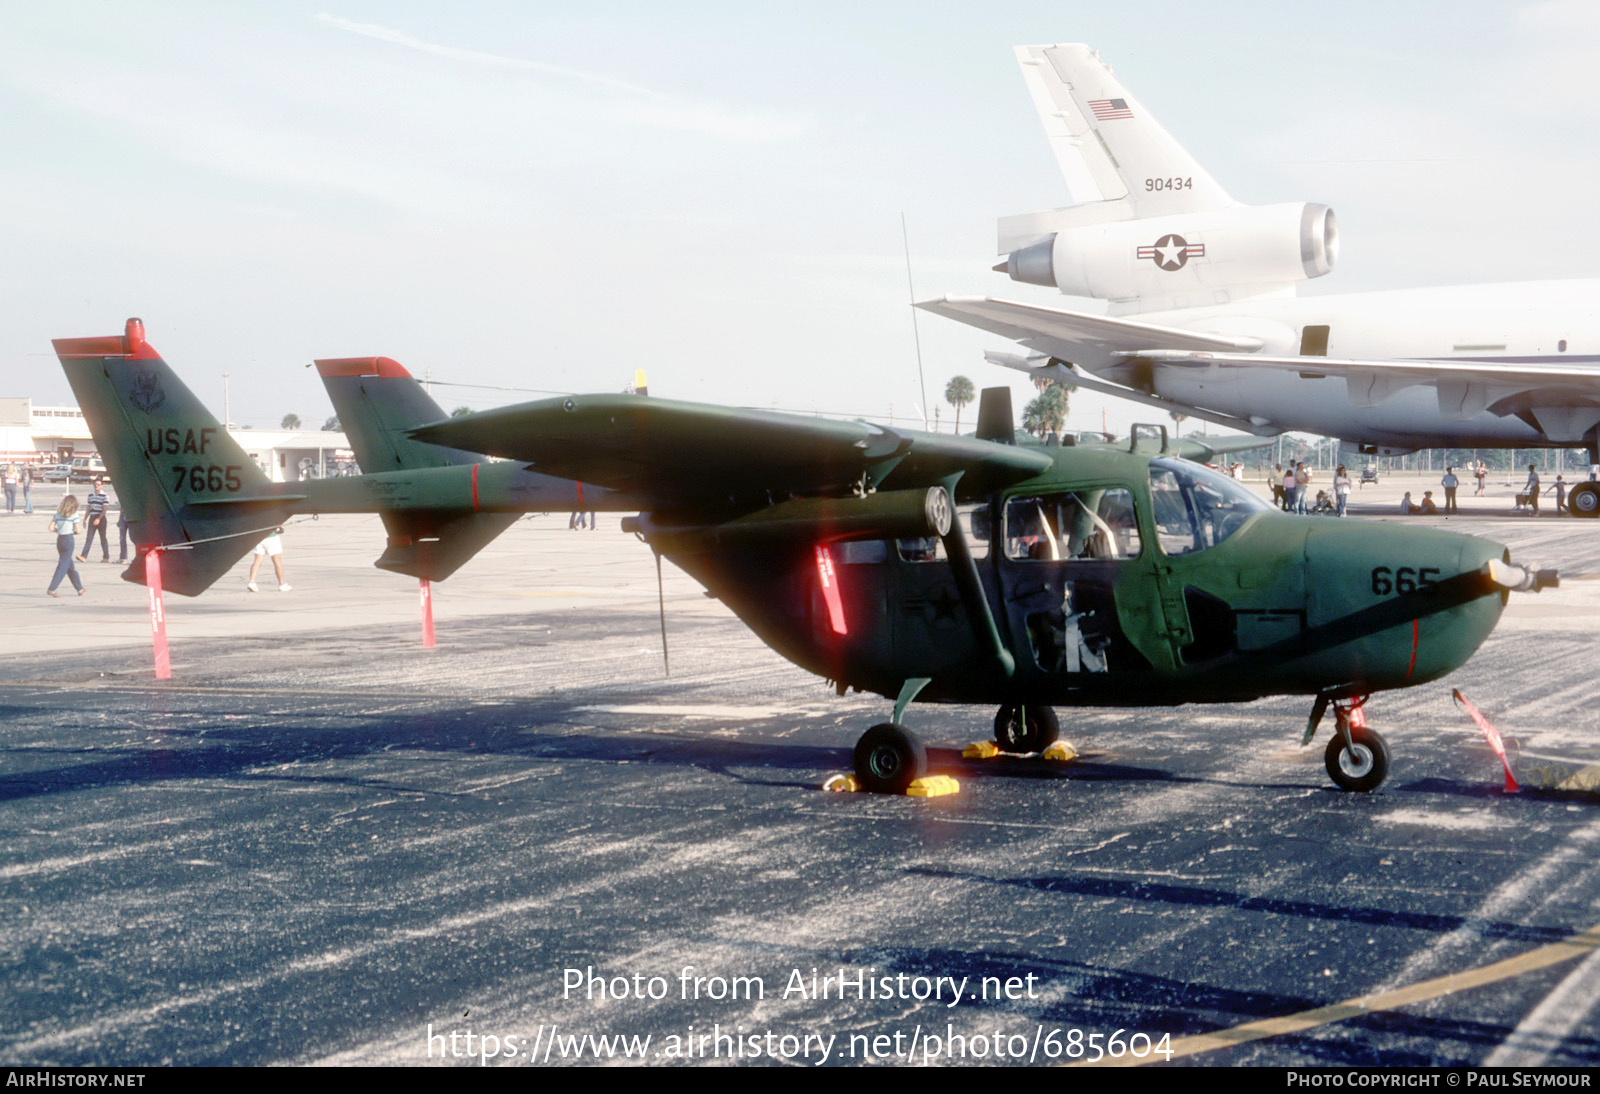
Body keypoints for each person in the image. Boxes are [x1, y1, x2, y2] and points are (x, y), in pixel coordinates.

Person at [47, 495, 85, 596]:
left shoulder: (58, 514)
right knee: (63, 565)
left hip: (60, 540)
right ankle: (52, 588)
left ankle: (79, 588)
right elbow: (78, 530)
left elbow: (50, 528)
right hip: (69, 539)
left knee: (69, 565)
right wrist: (73, 531)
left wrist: (58, 530)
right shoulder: (74, 515)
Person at [247, 527, 291, 592]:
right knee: (277, 561)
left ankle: (252, 582)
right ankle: (281, 584)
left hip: (258, 537)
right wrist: (281, 528)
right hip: (272, 537)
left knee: (258, 559)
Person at [76, 478, 110, 561]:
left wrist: (99, 518)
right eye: (95, 484)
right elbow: (88, 507)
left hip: (101, 518)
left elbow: (105, 509)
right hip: (92, 517)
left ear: (102, 486)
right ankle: (83, 556)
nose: (96, 486)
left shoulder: (105, 496)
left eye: (98, 484)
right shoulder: (90, 495)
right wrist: (85, 519)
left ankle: (106, 557)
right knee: (89, 537)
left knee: (103, 538)